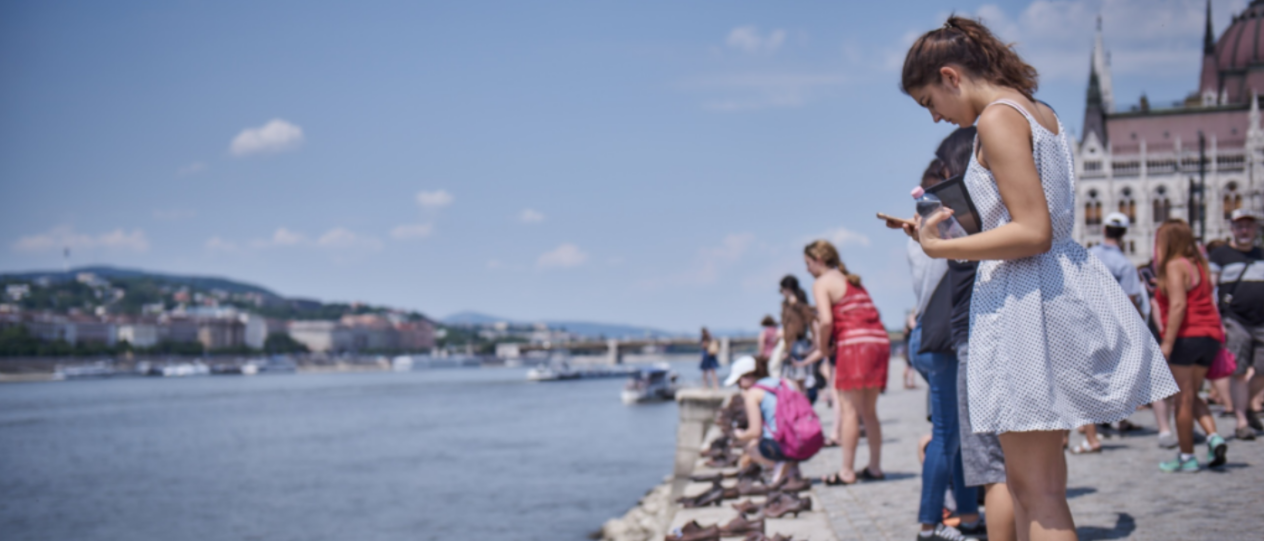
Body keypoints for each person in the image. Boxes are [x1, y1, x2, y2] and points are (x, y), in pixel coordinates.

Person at [897, 16, 1178, 540]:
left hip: (1025, 305)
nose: (935, 117)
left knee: (1037, 491)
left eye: (929, 102)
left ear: (951, 76)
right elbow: (1030, 221)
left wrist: (943, 246)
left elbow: (1032, 231)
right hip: (1049, 291)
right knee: (1035, 487)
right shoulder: (1038, 111)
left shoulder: (997, 119)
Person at [907, 153, 982, 540]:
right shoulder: (941, 227)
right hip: (943, 338)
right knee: (948, 433)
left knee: (958, 433)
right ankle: (929, 525)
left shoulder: (919, 230)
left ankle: (968, 516)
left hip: (929, 335)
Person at [800, 240, 890, 486]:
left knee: (849, 410)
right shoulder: (851, 280)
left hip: (854, 345)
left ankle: (846, 472)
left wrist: (822, 347)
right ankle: (875, 467)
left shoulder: (822, 283)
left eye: (808, 263)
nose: (807, 269)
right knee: (869, 412)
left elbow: (826, 321)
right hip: (878, 342)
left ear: (819, 260)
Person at [1153, 219, 1228, 472]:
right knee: (1193, 394)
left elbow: (1178, 305)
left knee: (1182, 400)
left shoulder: (1174, 265)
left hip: (1187, 336)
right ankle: (1213, 437)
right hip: (1209, 335)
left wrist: (1167, 343)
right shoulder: (1200, 264)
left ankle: (1187, 457)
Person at [1071, 212, 1147, 454]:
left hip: (1087, 321)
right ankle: (1112, 420)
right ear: (1124, 234)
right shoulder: (1125, 264)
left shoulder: (1088, 254)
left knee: (1089, 374)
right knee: (1114, 372)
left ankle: (1092, 425)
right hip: (1113, 325)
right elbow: (1130, 300)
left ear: (1104, 230)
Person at [1208, 208, 1264, 440]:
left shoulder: (1261, 254)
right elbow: (1210, 290)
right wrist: (1216, 320)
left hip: (1261, 320)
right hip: (1235, 320)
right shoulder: (1220, 255)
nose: (1244, 231)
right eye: (1240, 226)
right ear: (1232, 229)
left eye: (1248, 226)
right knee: (1238, 372)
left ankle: (1248, 405)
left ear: (1256, 229)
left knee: (1261, 370)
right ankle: (1242, 421)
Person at [726, 355, 795, 483]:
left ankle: (781, 466)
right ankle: (789, 468)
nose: (739, 387)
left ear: (748, 376)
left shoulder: (754, 393)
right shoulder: (782, 382)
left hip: (784, 445)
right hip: (804, 438)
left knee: (752, 448)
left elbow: (755, 432)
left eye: (738, 382)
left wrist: (739, 435)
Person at [778, 275, 817, 397]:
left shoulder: (799, 301)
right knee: (793, 378)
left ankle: (802, 404)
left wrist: (797, 305)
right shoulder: (785, 304)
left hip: (800, 342)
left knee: (800, 379)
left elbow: (809, 317)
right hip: (792, 344)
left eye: (783, 289)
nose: (782, 292)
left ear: (788, 289)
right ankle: (800, 404)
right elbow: (787, 328)